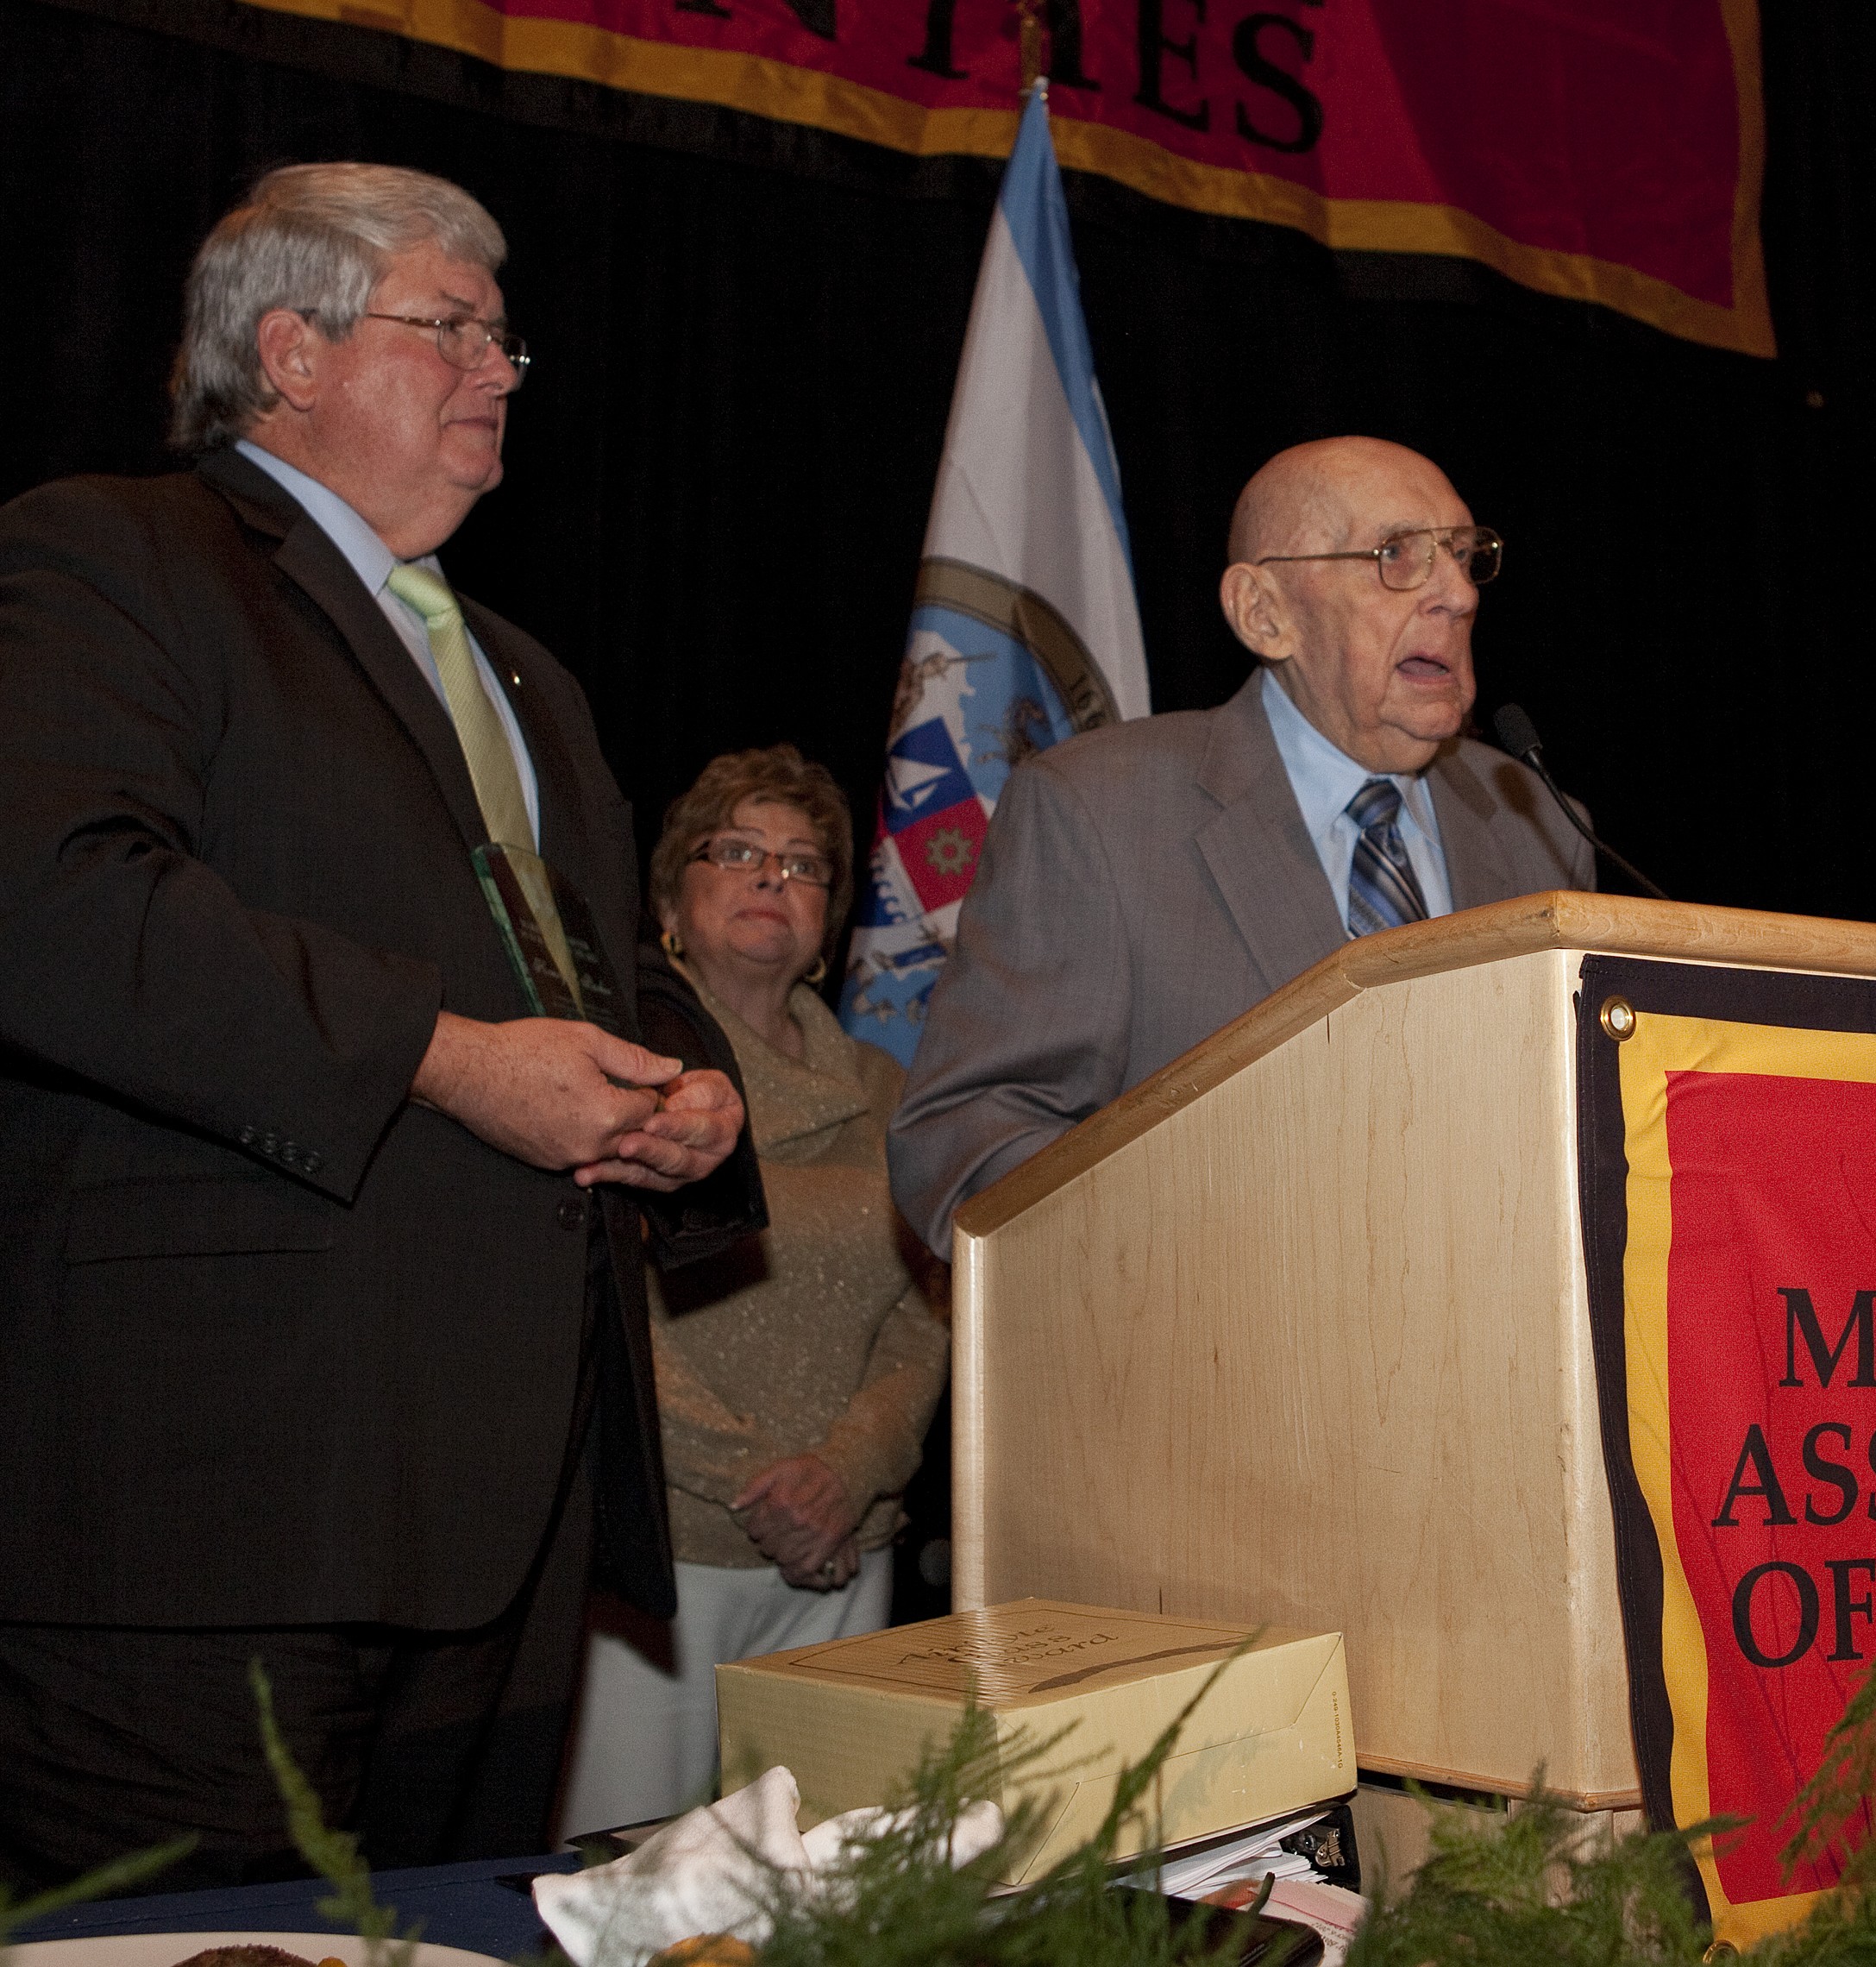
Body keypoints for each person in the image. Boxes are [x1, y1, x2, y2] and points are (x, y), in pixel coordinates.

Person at [0, 162, 761, 1888]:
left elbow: (585, 967)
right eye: (455, 329)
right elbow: (51, 897)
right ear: (294, 353)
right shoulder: (112, 555)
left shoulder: (523, 670)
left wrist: (686, 1088)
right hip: (209, 1515)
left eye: (506, 339)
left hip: (506, 1518)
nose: (502, 370)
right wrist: (446, 1057)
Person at [888, 435, 1597, 1258]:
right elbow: (966, 1135)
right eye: (1396, 554)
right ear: (1266, 612)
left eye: (1466, 557)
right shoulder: (1100, 811)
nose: (1458, 596)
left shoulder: (1539, 829)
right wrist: (1205, 1254)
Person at [558, 747, 949, 1834]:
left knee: (823, 1896)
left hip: (844, 1553)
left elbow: (929, 1313)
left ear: (830, 921)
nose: (773, 877)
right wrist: (764, 1486)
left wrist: (844, 1474)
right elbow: (601, 1305)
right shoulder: (617, 1070)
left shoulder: (886, 1092)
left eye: (805, 863)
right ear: (673, 899)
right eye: (736, 852)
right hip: (666, 1556)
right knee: (630, 1891)